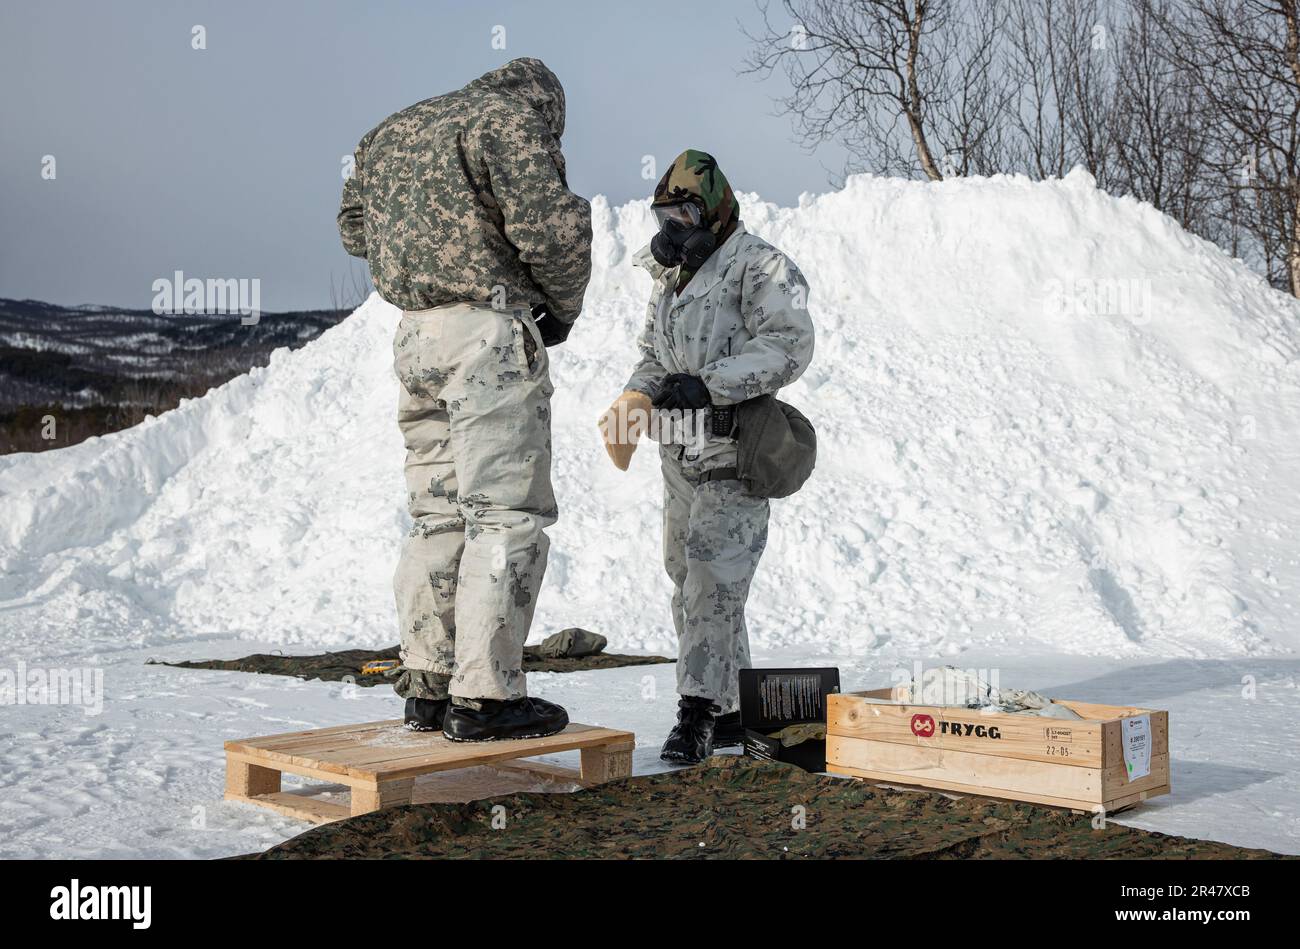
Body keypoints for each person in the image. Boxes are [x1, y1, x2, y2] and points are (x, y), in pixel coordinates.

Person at [338, 58, 592, 741]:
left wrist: (422, 259)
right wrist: (559, 310)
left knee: (436, 513)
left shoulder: (391, 130)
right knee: (503, 513)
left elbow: (353, 227)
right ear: (545, 108)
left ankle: (429, 683)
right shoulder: (510, 123)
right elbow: (554, 231)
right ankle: (486, 696)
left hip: (415, 338)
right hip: (487, 332)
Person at [599, 149, 814, 763]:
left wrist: (712, 382)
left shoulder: (759, 265)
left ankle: (694, 713)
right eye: (665, 214)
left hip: (732, 447)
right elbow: (652, 353)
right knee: (688, 580)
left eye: (686, 212)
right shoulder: (670, 279)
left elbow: (790, 344)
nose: (674, 227)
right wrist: (636, 395)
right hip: (679, 452)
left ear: (715, 210)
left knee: (713, 585)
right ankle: (732, 711)